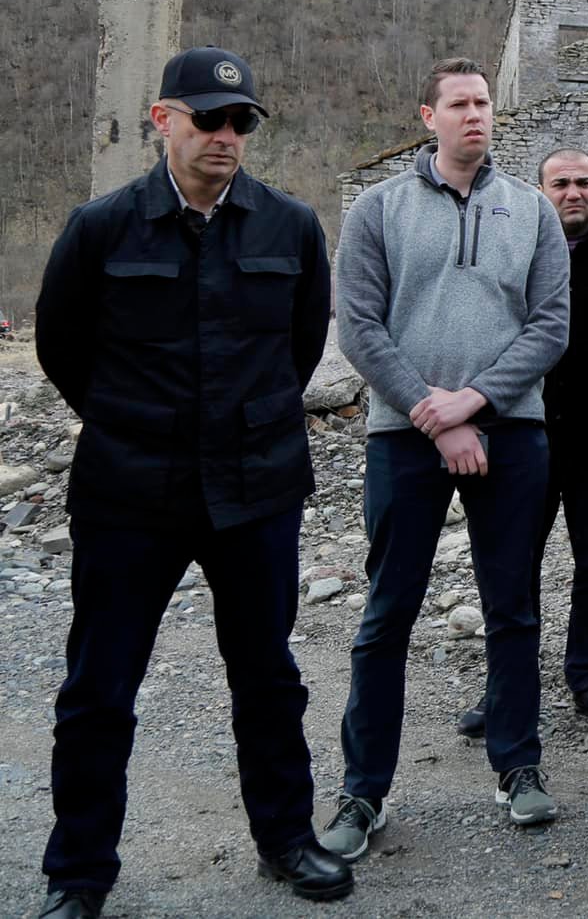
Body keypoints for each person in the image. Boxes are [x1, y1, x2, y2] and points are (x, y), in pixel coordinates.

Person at [32, 46, 351, 917]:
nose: (225, 135)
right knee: (100, 687)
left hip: (255, 490)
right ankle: (79, 874)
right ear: (162, 120)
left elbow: (299, 349)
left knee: (268, 676)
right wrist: (134, 422)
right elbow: (62, 346)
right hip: (130, 492)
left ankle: (286, 839)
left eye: (241, 121)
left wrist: (245, 425)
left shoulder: (290, 227)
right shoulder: (101, 227)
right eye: (208, 118)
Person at [326, 57, 570, 859]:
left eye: (484, 102)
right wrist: (433, 412)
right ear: (427, 116)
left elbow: (550, 326)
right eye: (459, 103)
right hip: (405, 435)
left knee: (514, 607)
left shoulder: (531, 210)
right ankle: (363, 792)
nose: (475, 114)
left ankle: (518, 766)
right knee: (387, 612)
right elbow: (360, 325)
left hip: (511, 433)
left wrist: (475, 402)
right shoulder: (378, 209)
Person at [454, 148, 588, 740]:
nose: (573, 192)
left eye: (583, 182)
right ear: (540, 190)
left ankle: (587, 674)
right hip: (522, 437)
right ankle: (508, 683)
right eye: (560, 183)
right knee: (516, 564)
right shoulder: (514, 250)